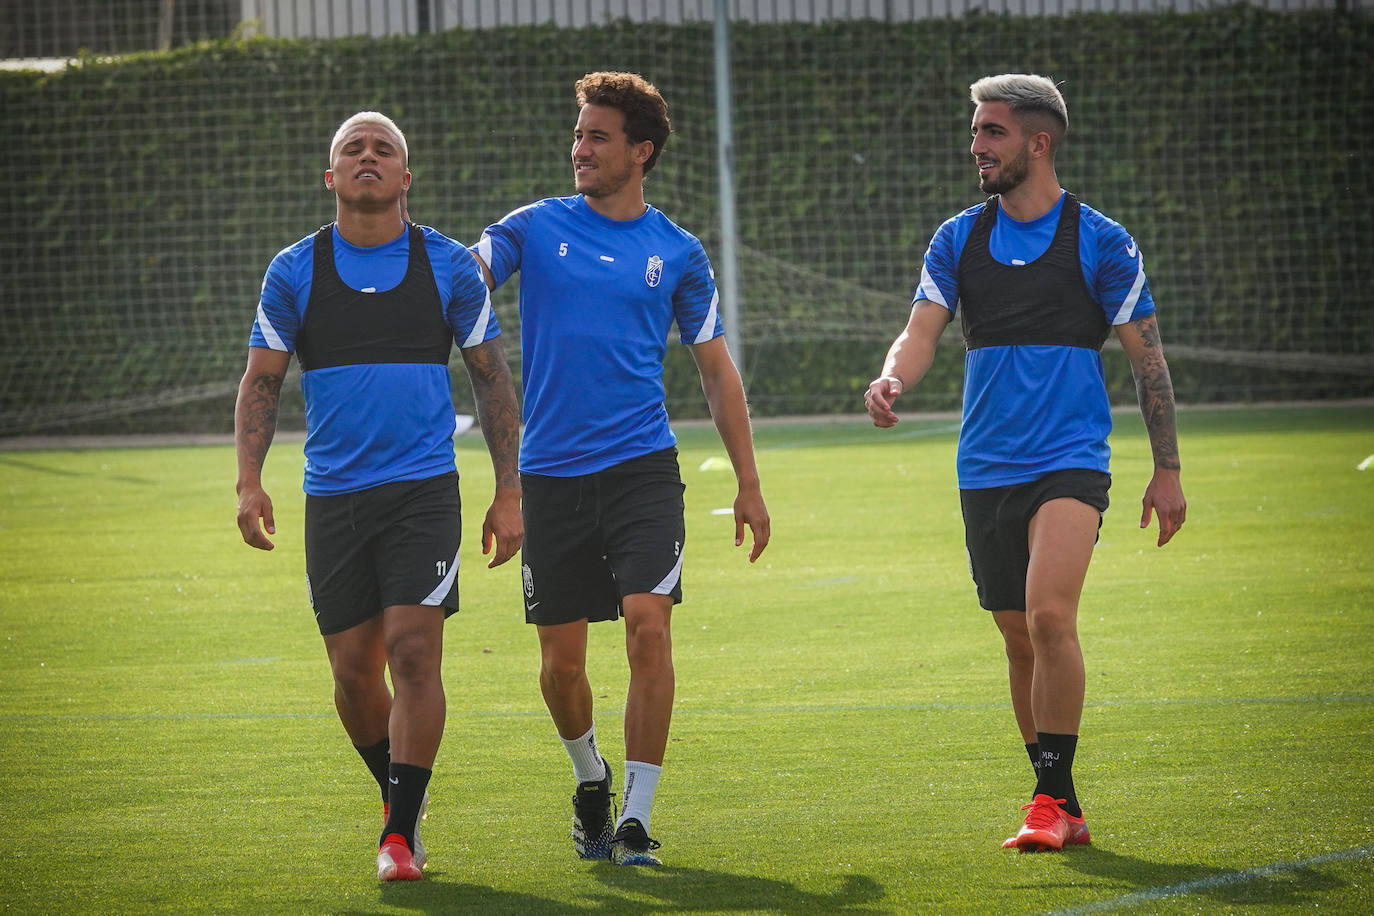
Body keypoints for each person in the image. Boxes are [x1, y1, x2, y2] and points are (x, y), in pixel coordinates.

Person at [865, 74, 1187, 852]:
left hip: (1070, 460)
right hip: (985, 466)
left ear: (1038, 142)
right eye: (976, 132)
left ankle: (1048, 799)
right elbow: (921, 331)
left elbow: (1148, 362)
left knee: (1049, 616)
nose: (976, 146)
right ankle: (1061, 800)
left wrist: (1167, 467)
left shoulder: (1102, 240)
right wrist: (893, 375)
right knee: (1017, 635)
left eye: (992, 132)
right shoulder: (958, 239)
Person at [469, 71, 770, 866]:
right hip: (553, 477)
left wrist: (748, 482)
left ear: (640, 151)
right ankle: (589, 777)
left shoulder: (677, 252)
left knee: (648, 626)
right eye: (578, 135)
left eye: (597, 136)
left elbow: (715, 370)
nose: (580, 149)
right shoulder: (534, 226)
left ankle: (636, 818)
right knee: (562, 667)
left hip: (642, 470)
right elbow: (469, 271)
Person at [233, 111, 523, 882]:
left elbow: (491, 378)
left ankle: (397, 837)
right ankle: (404, 800)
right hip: (333, 497)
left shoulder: (451, 266)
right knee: (355, 675)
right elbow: (263, 381)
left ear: (404, 177)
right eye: (351, 150)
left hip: (422, 492)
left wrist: (509, 491)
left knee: (414, 652)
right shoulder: (294, 270)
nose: (367, 157)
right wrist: (248, 481)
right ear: (331, 178)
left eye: (383, 149)